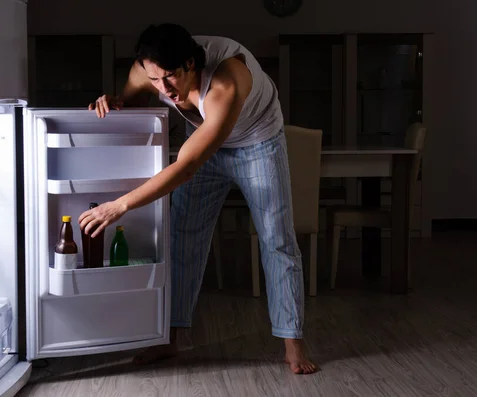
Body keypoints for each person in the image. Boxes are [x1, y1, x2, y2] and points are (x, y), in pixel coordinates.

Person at [79, 23, 317, 374]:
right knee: (183, 236)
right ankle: (169, 338)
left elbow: (187, 165)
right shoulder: (148, 71)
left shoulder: (226, 82)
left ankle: (293, 344)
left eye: (171, 78)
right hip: (203, 136)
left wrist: (120, 205)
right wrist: (114, 102)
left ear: (191, 64)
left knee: (276, 239)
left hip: (258, 142)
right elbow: (130, 105)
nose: (164, 89)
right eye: (155, 80)